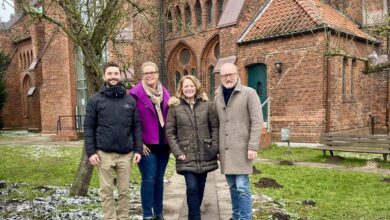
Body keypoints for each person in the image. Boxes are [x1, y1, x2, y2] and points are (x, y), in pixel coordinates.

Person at [84, 61, 142, 220]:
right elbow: (88, 127)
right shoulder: (95, 100)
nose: (113, 77)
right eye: (109, 74)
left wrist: (138, 150)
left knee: (124, 192)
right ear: (104, 76)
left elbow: (136, 126)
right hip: (104, 154)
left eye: (116, 73)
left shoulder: (130, 101)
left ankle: (123, 218)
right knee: (106, 192)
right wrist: (91, 152)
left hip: (126, 154)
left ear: (120, 75)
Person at [214, 63, 263, 220]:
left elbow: (257, 122)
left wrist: (253, 146)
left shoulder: (249, 93)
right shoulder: (217, 98)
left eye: (230, 74)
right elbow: (217, 124)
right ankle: (236, 216)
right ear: (220, 77)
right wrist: (217, 149)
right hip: (226, 151)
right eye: (224, 75)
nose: (227, 78)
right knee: (233, 187)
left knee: (242, 187)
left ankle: (245, 217)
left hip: (243, 150)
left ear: (237, 74)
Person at [166, 75, 219, 220]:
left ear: (196, 87)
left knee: (200, 187)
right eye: (186, 86)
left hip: (205, 153)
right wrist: (177, 152)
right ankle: (195, 217)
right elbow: (170, 132)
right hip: (185, 154)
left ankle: (194, 213)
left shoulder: (207, 105)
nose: (189, 88)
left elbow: (214, 127)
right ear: (181, 89)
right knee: (192, 187)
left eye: (191, 86)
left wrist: (214, 147)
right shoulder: (174, 107)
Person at [129, 61, 170, 220]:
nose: (150, 75)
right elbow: (129, 123)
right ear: (142, 75)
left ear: (157, 74)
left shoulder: (165, 93)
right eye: (146, 73)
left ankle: (159, 213)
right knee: (149, 179)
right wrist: (138, 144)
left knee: (159, 180)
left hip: (163, 146)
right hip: (146, 147)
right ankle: (147, 214)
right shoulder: (134, 94)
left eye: (152, 72)